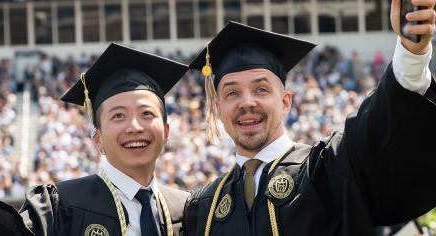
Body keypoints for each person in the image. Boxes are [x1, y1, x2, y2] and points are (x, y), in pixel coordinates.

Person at [182, 0, 436, 234]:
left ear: (285, 102)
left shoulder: (328, 170)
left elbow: (377, 129)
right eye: (232, 93)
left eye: (261, 89)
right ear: (218, 109)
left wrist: (410, 52)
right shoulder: (203, 208)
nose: (247, 102)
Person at [0, 43, 190, 236]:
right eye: (118, 116)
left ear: (166, 131)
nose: (135, 126)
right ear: (97, 139)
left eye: (147, 114)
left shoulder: (188, 210)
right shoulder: (59, 206)